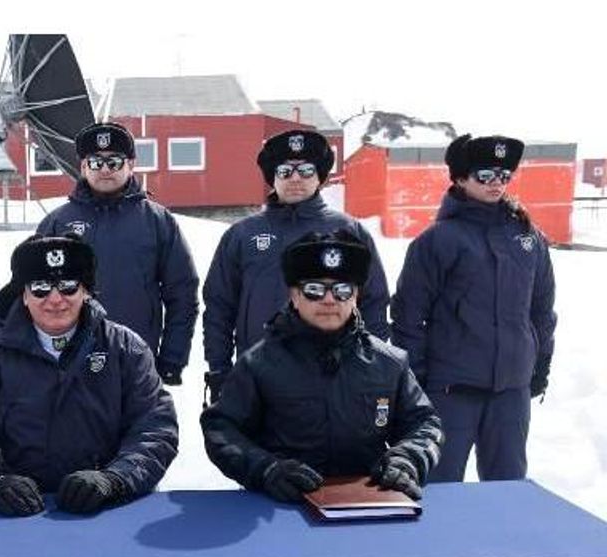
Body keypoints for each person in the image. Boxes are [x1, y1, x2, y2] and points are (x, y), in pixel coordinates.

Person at [0, 234, 179, 516]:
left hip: (108, 507)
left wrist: (115, 479)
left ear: (86, 291)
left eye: (68, 286)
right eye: (40, 287)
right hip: (12, 510)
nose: (55, 299)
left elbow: (155, 427)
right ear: (23, 295)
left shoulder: (125, 349)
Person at [201, 231, 442, 502]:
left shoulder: (389, 364)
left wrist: (406, 459)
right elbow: (221, 428)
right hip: (284, 506)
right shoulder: (258, 364)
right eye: (314, 290)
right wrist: (265, 469)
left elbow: (424, 423)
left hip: (368, 505)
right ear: (294, 294)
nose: (329, 300)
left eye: (342, 290)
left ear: (355, 296)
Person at [391, 134, 557, 482]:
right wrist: (417, 380)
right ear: (461, 178)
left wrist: (538, 367)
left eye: (503, 175)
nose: (495, 183)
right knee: (439, 488)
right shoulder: (437, 241)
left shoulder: (528, 239)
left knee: (508, 489)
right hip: (450, 392)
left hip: (511, 392)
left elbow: (541, 310)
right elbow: (409, 317)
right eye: (485, 175)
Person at [202, 129, 391, 405]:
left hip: (333, 379)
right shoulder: (242, 235)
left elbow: (374, 301)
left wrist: (368, 365)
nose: (295, 179)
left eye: (305, 170)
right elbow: (219, 306)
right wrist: (219, 369)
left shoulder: (349, 231)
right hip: (259, 377)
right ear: (272, 177)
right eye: (285, 171)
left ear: (320, 176)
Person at [35, 122, 199, 387]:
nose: (105, 170)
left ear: (131, 164)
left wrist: (171, 359)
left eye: (114, 162)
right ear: (83, 166)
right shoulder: (57, 223)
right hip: (68, 364)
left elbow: (182, 294)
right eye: (96, 162)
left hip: (136, 363)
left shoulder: (157, 222)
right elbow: (32, 292)